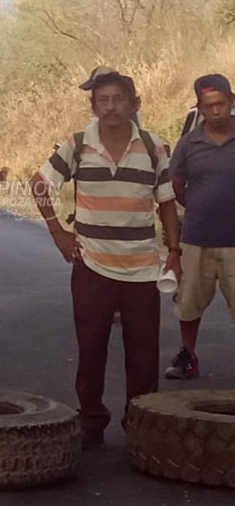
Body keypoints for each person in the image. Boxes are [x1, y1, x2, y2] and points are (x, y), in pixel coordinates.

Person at [30, 70, 180, 448]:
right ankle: (92, 420)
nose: (111, 107)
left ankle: (141, 422)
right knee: (91, 346)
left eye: (118, 99)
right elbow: (39, 183)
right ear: (93, 106)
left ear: (134, 104)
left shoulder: (153, 146)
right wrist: (58, 232)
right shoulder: (78, 145)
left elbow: (166, 203)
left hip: (143, 266)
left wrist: (174, 252)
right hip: (92, 264)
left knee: (144, 354)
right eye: (103, 100)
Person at [163, 74, 235, 380]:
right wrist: (198, 206)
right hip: (197, 238)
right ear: (199, 108)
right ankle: (187, 356)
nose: (216, 111)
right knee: (189, 302)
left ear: (232, 102)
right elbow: (176, 184)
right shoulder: (189, 143)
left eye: (221, 104)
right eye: (208, 106)